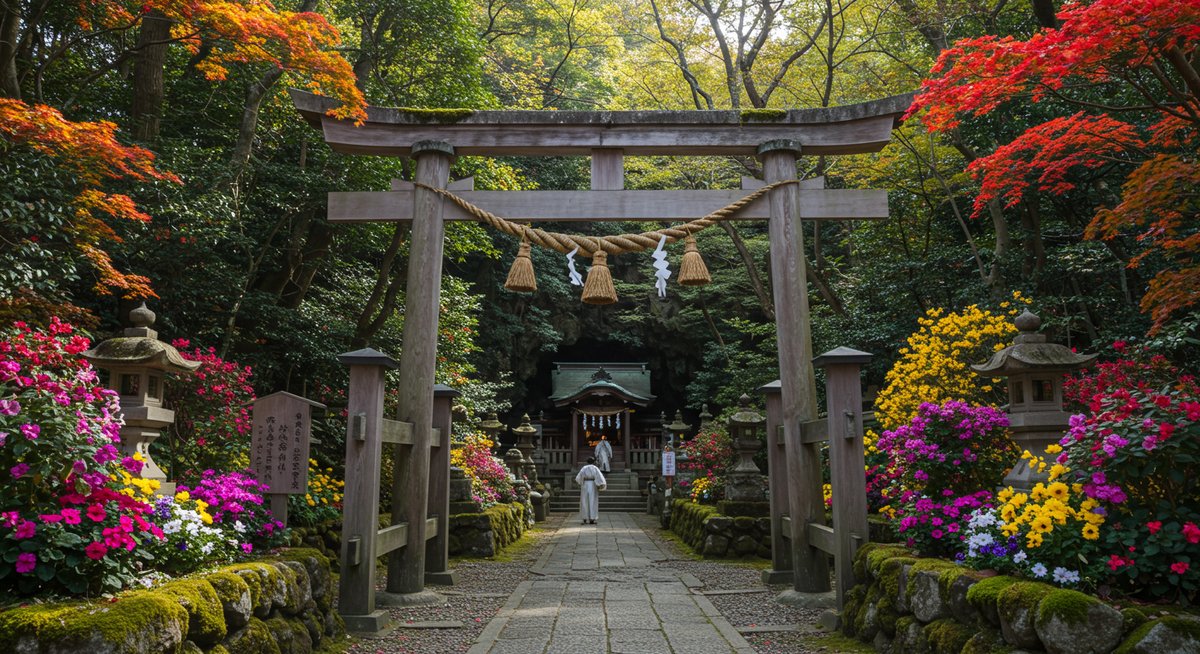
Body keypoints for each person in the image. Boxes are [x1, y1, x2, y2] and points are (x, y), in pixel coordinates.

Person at [575, 456, 606, 524]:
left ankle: (584, 518)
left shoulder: (584, 468)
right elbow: (600, 476)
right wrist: (601, 484)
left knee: (584, 500)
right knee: (593, 501)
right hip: (593, 484)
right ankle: (592, 518)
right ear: (594, 462)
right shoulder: (595, 468)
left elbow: (578, 477)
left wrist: (581, 482)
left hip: (585, 484)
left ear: (587, 462)